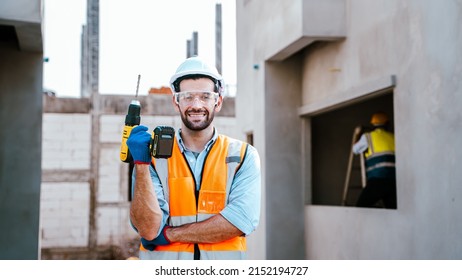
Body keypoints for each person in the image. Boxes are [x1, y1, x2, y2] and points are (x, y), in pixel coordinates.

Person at [126, 56, 261, 260]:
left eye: (205, 96)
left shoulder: (242, 156)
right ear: (176, 101)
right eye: (188, 96)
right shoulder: (153, 158)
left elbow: (240, 220)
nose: (196, 105)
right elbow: (149, 229)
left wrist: (171, 234)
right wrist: (141, 164)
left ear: (218, 101)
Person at [352, 112, 396, 209]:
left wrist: (358, 135)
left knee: (360, 208)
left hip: (377, 180)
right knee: (393, 211)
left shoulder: (368, 137)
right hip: (394, 182)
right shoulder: (394, 137)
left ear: (373, 124)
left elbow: (355, 150)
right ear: (387, 123)